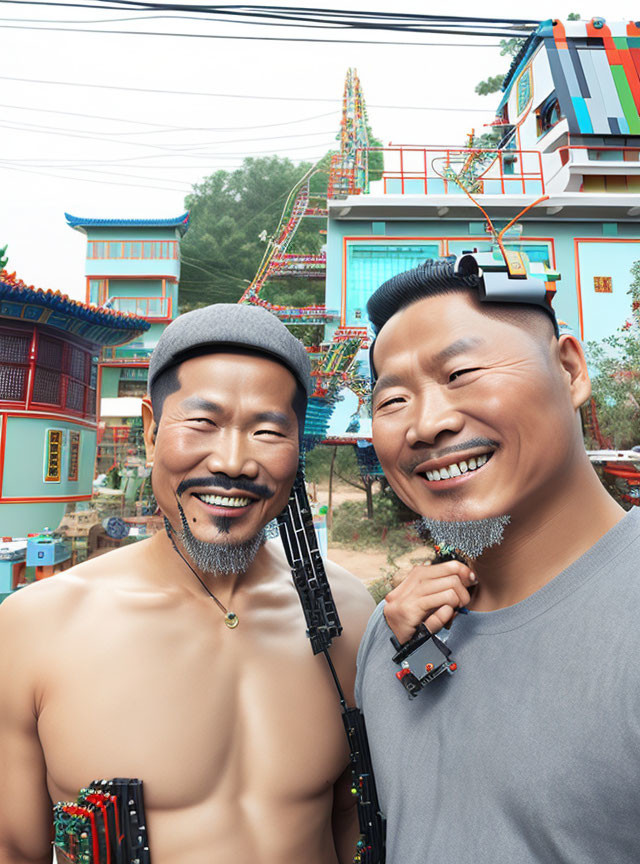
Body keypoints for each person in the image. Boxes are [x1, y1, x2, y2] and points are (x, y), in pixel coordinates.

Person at [0, 303, 375, 864]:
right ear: (151, 428)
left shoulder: (345, 612)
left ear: (301, 445)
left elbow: (350, 821)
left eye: (269, 430)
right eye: (202, 422)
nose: (232, 462)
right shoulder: (37, 628)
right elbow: (15, 849)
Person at [354, 256, 640, 863]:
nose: (427, 425)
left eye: (461, 372)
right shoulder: (392, 635)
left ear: (568, 369)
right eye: (392, 400)